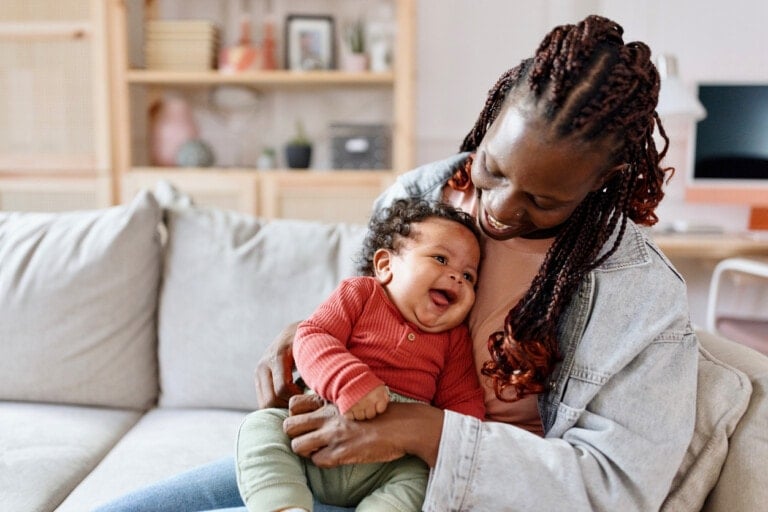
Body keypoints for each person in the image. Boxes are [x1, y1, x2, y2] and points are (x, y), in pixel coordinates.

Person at [95, 14, 698, 512]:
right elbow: (363, 309)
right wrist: (304, 340)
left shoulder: (640, 296)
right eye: (494, 167)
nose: (501, 208)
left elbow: (620, 489)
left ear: (603, 182)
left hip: (439, 492)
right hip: (335, 449)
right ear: (491, 118)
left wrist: (423, 430)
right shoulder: (422, 195)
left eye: (543, 200)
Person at [235, 198, 485, 512]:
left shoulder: (455, 339)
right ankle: (284, 504)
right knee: (262, 426)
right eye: (440, 259)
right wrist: (349, 381)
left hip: (392, 461)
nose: (456, 278)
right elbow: (314, 336)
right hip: (317, 431)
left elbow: (464, 405)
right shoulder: (360, 294)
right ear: (385, 266)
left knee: (424, 478)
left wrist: (458, 445)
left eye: (469, 276)